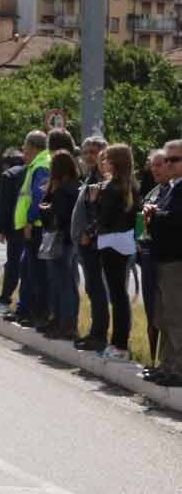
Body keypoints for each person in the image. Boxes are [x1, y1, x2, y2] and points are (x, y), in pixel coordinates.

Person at [86, 143, 139, 362]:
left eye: (106, 159)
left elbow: (103, 219)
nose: (103, 162)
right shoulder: (131, 186)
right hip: (125, 242)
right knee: (120, 295)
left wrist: (93, 201)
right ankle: (120, 343)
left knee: (116, 296)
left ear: (114, 162)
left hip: (109, 243)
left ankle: (119, 345)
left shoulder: (109, 188)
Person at [143, 139, 182, 384]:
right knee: (164, 316)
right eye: (165, 159)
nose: (167, 164)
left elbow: (177, 221)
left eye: (173, 160)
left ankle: (178, 369)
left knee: (176, 317)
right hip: (164, 258)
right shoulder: (172, 187)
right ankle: (167, 365)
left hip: (175, 260)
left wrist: (155, 215)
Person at [38, 149, 82, 340]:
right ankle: (64, 322)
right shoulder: (76, 186)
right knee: (67, 284)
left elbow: (60, 216)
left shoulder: (62, 190)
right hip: (70, 242)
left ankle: (63, 324)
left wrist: (46, 210)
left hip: (60, 241)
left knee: (61, 284)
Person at [70, 136, 109, 351]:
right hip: (85, 243)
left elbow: (101, 212)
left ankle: (100, 335)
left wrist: (88, 233)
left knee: (97, 288)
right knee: (92, 288)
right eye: (85, 152)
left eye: (93, 152)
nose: (89, 156)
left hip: (94, 243)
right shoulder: (90, 176)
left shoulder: (104, 177)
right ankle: (95, 332)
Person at [10, 131, 52, 327]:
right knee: (27, 269)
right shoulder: (36, 164)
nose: (23, 151)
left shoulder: (42, 165)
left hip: (35, 227)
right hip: (32, 227)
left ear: (34, 147)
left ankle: (35, 314)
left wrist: (29, 221)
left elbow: (39, 197)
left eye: (25, 147)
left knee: (35, 273)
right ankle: (25, 310)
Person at [138, 146, 173, 370]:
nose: (156, 169)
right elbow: (140, 225)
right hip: (147, 257)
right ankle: (155, 361)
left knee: (168, 313)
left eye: (160, 164)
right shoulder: (152, 192)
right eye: (153, 166)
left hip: (165, 258)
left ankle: (168, 363)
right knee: (153, 311)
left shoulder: (173, 192)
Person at [0, 144, 28, 315]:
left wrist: (1, 229)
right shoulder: (32, 172)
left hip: (14, 227)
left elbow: (4, 205)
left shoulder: (9, 175)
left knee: (12, 264)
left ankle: (4, 299)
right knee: (28, 266)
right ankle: (24, 303)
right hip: (32, 226)